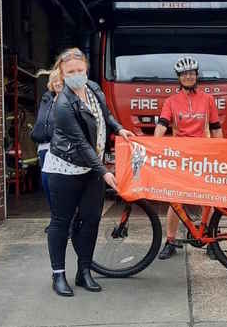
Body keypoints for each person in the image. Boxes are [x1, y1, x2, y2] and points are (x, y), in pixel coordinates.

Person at [44, 48, 133, 297]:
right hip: (66, 167)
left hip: (92, 167)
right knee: (61, 222)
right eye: (70, 72)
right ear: (62, 73)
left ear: (86, 70)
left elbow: (104, 116)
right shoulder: (63, 103)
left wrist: (119, 128)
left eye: (80, 71)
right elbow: (82, 144)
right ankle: (58, 274)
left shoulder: (93, 87)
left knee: (91, 220)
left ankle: (84, 271)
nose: (76, 75)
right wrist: (105, 172)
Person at [154, 56, 223, 260]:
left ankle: (211, 239)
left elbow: (216, 129)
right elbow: (162, 126)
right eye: (184, 74)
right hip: (180, 156)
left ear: (196, 75)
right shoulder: (171, 101)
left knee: (206, 199)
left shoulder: (208, 99)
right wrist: (153, 145)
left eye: (191, 73)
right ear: (179, 77)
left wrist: (222, 152)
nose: (188, 76)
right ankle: (171, 240)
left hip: (202, 154)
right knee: (176, 201)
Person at [32, 69, 64, 216]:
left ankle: (65, 218)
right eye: (55, 80)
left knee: (60, 185)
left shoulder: (70, 100)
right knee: (46, 183)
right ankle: (55, 216)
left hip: (61, 148)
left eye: (61, 80)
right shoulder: (46, 99)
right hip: (44, 147)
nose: (58, 83)